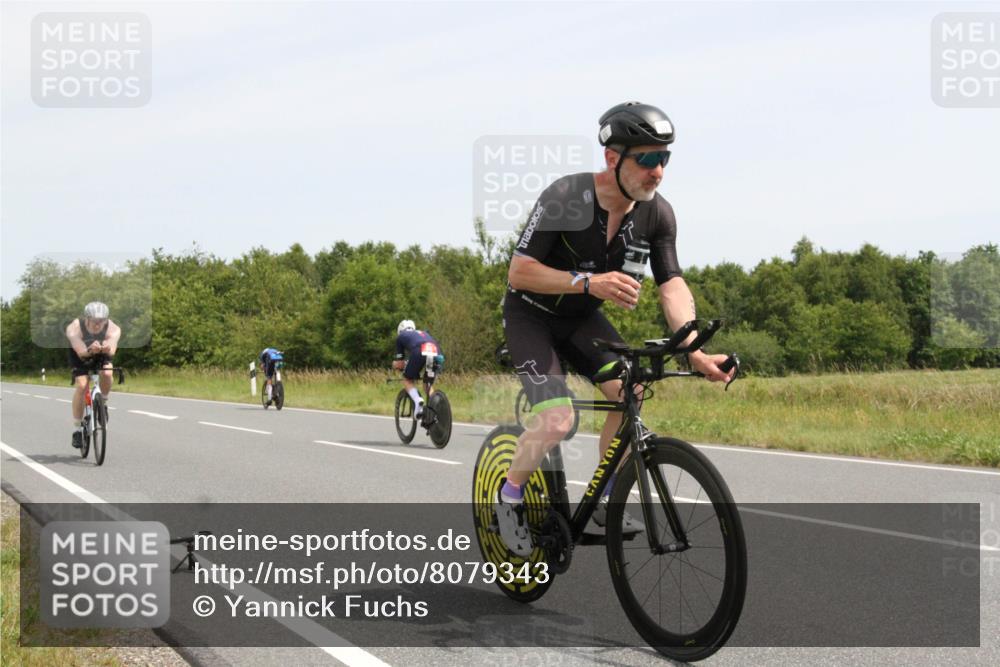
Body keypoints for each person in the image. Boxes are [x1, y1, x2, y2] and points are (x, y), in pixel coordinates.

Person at [495, 101, 736, 556]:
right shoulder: (566, 196)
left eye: (665, 158)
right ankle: (507, 500)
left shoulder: (657, 214)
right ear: (613, 158)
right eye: (647, 158)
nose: (658, 171)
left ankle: (604, 499)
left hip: (581, 319)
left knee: (631, 391)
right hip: (531, 313)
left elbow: (672, 286)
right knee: (558, 417)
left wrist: (693, 350)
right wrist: (589, 282)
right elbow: (519, 272)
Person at [66, 302, 121, 449]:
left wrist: (106, 349)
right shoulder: (74, 328)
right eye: (95, 321)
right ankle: (77, 429)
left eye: (102, 321)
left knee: (108, 373)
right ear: (87, 319)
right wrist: (90, 350)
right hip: (81, 354)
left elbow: (112, 351)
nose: (98, 324)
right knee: (82, 385)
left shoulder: (113, 328)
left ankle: (102, 403)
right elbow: (81, 352)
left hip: (101, 352)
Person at [391, 320, 443, 422]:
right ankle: (437, 408)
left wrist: (394, 364)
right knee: (427, 384)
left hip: (419, 351)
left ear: (400, 331)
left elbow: (400, 363)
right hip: (436, 351)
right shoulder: (423, 333)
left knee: (407, 380)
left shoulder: (401, 337)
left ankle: (417, 400)